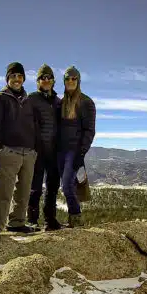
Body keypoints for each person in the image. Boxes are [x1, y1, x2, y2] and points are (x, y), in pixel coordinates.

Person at [0, 61, 37, 242]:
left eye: (20, 76)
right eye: (13, 76)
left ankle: (17, 223)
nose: (17, 79)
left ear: (23, 79)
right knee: (3, 192)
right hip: (9, 151)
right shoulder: (1, 98)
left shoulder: (28, 100)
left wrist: (34, 148)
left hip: (28, 153)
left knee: (23, 192)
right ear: (8, 78)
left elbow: (35, 125)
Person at [56, 65, 96, 228]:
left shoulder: (86, 102)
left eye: (74, 78)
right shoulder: (62, 102)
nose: (71, 81)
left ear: (78, 81)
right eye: (67, 78)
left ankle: (76, 218)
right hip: (60, 150)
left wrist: (81, 154)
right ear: (64, 81)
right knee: (67, 185)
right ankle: (73, 221)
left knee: (67, 184)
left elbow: (89, 131)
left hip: (74, 151)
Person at [27, 64, 63, 231]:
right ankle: (32, 221)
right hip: (37, 150)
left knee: (52, 187)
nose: (46, 80)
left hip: (54, 151)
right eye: (43, 78)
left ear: (53, 81)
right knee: (35, 187)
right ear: (38, 81)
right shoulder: (32, 99)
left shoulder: (58, 102)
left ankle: (50, 220)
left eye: (49, 77)